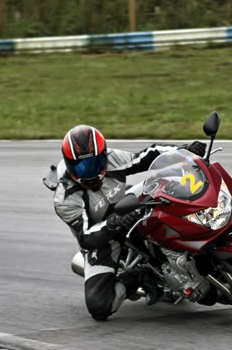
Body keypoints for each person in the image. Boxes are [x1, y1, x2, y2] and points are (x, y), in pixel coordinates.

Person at [48, 124, 206, 321]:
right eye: (81, 166)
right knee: (99, 306)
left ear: (103, 155)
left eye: (94, 163)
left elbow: (148, 156)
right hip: (101, 239)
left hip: (127, 208)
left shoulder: (112, 158)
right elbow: (86, 238)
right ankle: (139, 276)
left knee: (168, 202)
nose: (88, 172)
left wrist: (183, 150)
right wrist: (114, 223)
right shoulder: (65, 198)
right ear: (69, 163)